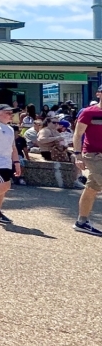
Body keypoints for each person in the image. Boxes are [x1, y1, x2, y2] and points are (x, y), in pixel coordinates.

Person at [71, 85, 102, 235]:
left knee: (91, 189)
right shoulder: (89, 112)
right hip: (93, 155)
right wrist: (77, 155)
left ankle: (81, 222)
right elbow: (77, 134)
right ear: (98, 94)